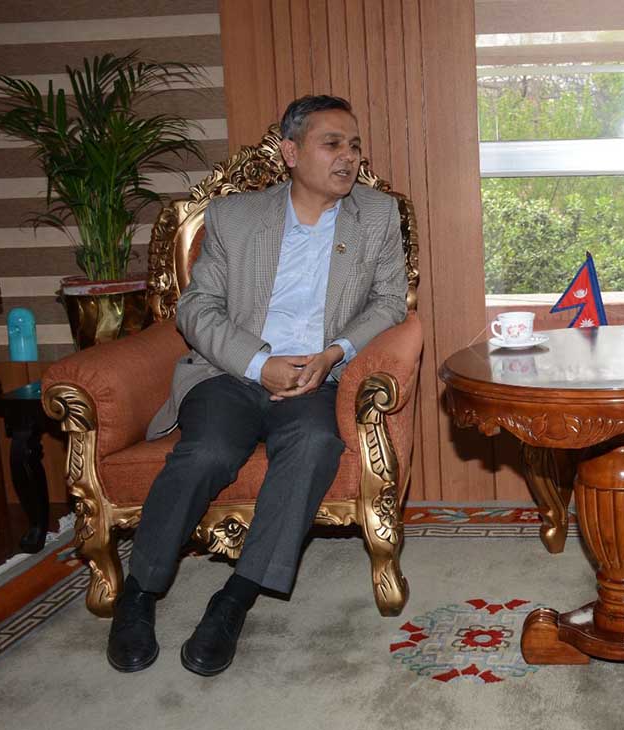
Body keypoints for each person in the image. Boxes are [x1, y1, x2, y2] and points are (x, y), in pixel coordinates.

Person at [106, 95, 408, 675]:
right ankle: (138, 593)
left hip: (317, 379)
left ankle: (233, 601)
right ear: (291, 152)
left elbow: (391, 302)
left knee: (316, 444)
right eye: (332, 143)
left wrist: (333, 354)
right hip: (231, 374)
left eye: (354, 145)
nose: (348, 156)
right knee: (208, 451)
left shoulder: (377, 216)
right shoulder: (235, 217)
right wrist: (259, 362)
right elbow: (196, 309)